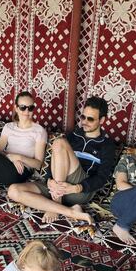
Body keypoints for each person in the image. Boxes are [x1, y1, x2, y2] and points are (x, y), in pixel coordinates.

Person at [7, 96, 116, 225]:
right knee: (13, 191)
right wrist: (49, 180)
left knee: (59, 142)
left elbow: (102, 178)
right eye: (83, 117)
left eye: (90, 119)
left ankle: (55, 203)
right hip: (59, 186)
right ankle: (70, 211)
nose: (84, 122)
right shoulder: (73, 135)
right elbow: (55, 159)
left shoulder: (107, 145)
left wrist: (77, 188)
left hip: (79, 189)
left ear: (102, 120)